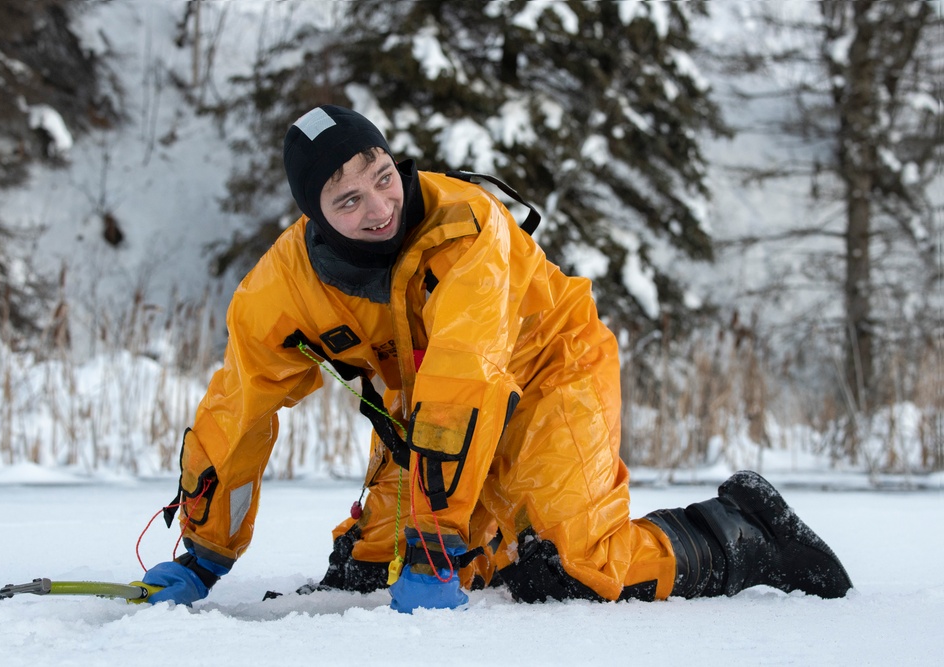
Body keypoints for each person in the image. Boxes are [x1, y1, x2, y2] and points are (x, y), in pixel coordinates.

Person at [140, 105, 852, 611]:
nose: (378, 205)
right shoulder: (282, 289)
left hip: (547, 368)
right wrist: (206, 550)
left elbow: (464, 375)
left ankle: (747, 531)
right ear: (313, 215)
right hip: (434, 412)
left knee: (581, 564)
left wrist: (436, 541)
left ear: (395, 160)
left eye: (381, 174)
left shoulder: (466, 228)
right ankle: (501, 546)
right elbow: (239, 409)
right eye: (347, 198)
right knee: (368, 570)